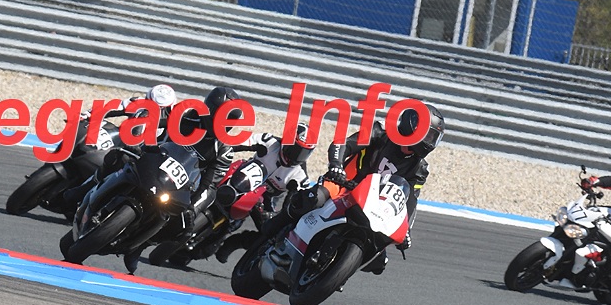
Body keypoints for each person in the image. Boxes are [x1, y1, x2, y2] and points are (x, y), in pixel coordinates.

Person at [120, 86, 242, 273]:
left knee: (185, 227)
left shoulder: (224, 150)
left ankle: (140, 246)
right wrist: (138, 138)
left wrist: (193, 207)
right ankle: (85, 191)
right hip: (155, 160)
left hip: (181, 184)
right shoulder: (185, 116)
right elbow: (153, 123)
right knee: (119, 158)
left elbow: (210, 185)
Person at [322, 104, 445, 274]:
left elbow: (410, 200)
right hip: (343, 186)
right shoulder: (381, 132)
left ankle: (334, 276)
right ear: (412, 125)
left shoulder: (420, 169)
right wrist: (336, 165)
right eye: (428, 135)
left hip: (373, 207)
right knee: (314, 198)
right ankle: (282, 236)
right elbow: (344, 144)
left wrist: (406, 230)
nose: (429, 142)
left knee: (379, 261)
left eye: (433, 137)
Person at [214, 123, 316, 263]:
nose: (296, 156)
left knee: (271, 234)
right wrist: (220, 151)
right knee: (213, 176)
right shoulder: (269, 142)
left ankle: (237, 241)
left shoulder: (300, 176)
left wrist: (275, 216)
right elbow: (237, 143)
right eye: (295, 149)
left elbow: (290, 206)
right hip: (241, 179)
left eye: (303, 153)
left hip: (264, 200)